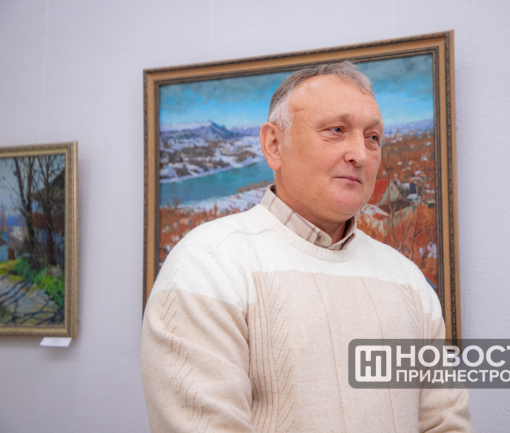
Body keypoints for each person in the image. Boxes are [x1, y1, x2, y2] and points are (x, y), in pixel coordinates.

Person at [141, 61, 473, 432]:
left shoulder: (407, 279)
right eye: (336, 130)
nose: (361, 154)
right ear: (274, 145)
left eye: (373, 137)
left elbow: (446, 422)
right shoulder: (207, 265)